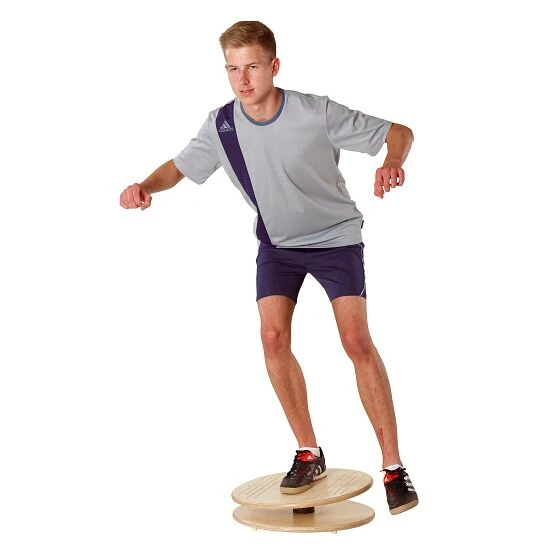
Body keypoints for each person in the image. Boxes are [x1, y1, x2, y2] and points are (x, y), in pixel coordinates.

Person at [119, 20, 418, 515]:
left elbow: (399, 133)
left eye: (252, 67)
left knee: (355, 341)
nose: (242, 79)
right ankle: (309, 452)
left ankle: (393, 467)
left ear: (274, 66)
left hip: (335, 238)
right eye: (232, 69)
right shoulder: (222, 126)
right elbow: (178, 167)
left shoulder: (315, 112)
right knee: (272, 338)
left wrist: (392, 161)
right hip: (278, 245)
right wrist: (145, 186)